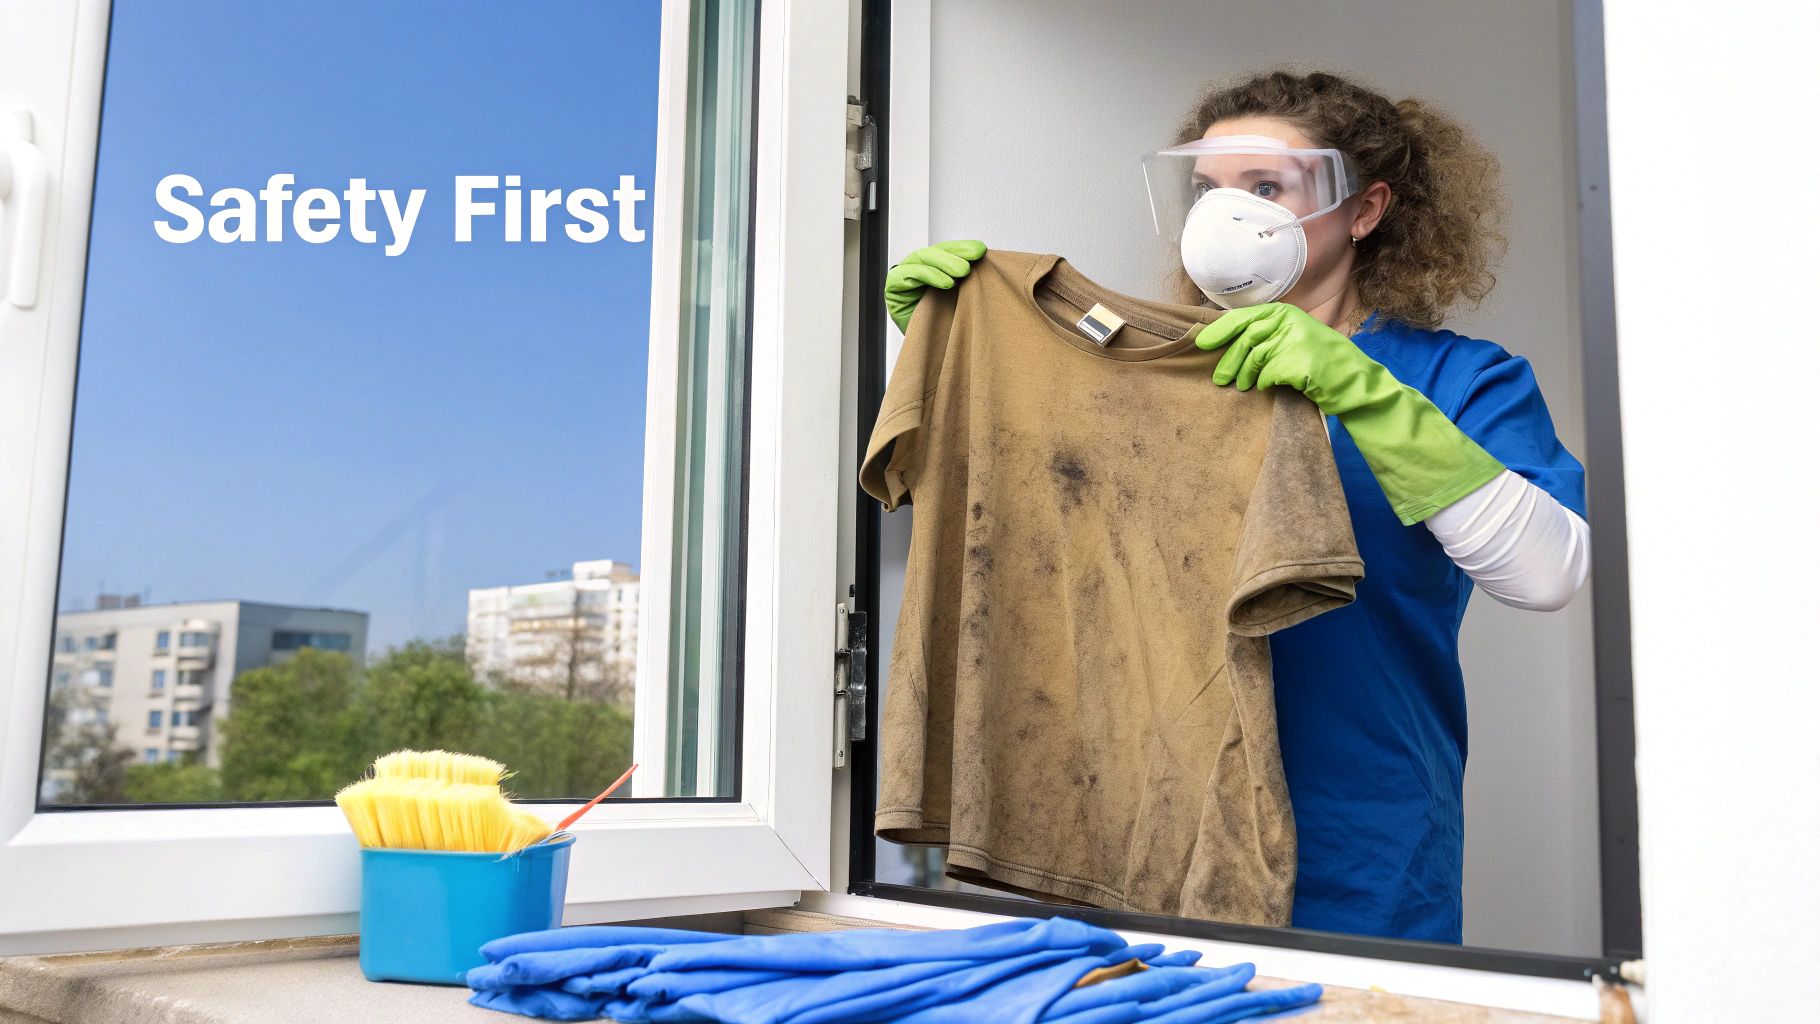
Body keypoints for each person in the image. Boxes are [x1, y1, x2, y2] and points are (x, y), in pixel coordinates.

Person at [880, 69, 1589, 944]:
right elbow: (1031, 546)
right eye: (1207, 190)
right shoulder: (1139, 380)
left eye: (1265, 188)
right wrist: (953, 353)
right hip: (1138, 838)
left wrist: (1358, 389)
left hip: (1360, 849)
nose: (1226, 215)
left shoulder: (1460, 379)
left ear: (1365, 211)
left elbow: (1551, 571)